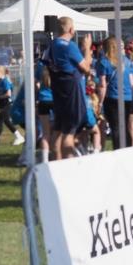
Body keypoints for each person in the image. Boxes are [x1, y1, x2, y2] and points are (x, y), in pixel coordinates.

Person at [45, 17, 92, 160]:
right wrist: (87, 49)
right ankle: (68, 165)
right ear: (71, 30)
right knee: (69, 132)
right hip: (71, 91)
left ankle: (56, 163)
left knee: (58, 129)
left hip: (58, 89)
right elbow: (86, 68)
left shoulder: (51, 45)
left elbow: (46, 65)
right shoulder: (69, 46)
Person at [96, 36, 133, 150]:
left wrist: (100, 102)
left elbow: (103, 85)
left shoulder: (104, 62)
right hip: (127, 97)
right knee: (125, 127)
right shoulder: (126, 60)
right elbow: (132, 82)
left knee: (116, 127)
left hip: (112, 97)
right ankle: (128, 149)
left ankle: (118, 149)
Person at [0, 65, 24, 147]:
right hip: (2, 103)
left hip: (8, 104)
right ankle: (18, 136)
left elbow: (8, 94)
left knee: (3, 121)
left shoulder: (5, 81)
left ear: (2, 73)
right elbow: (2, 93)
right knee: (4, 121)